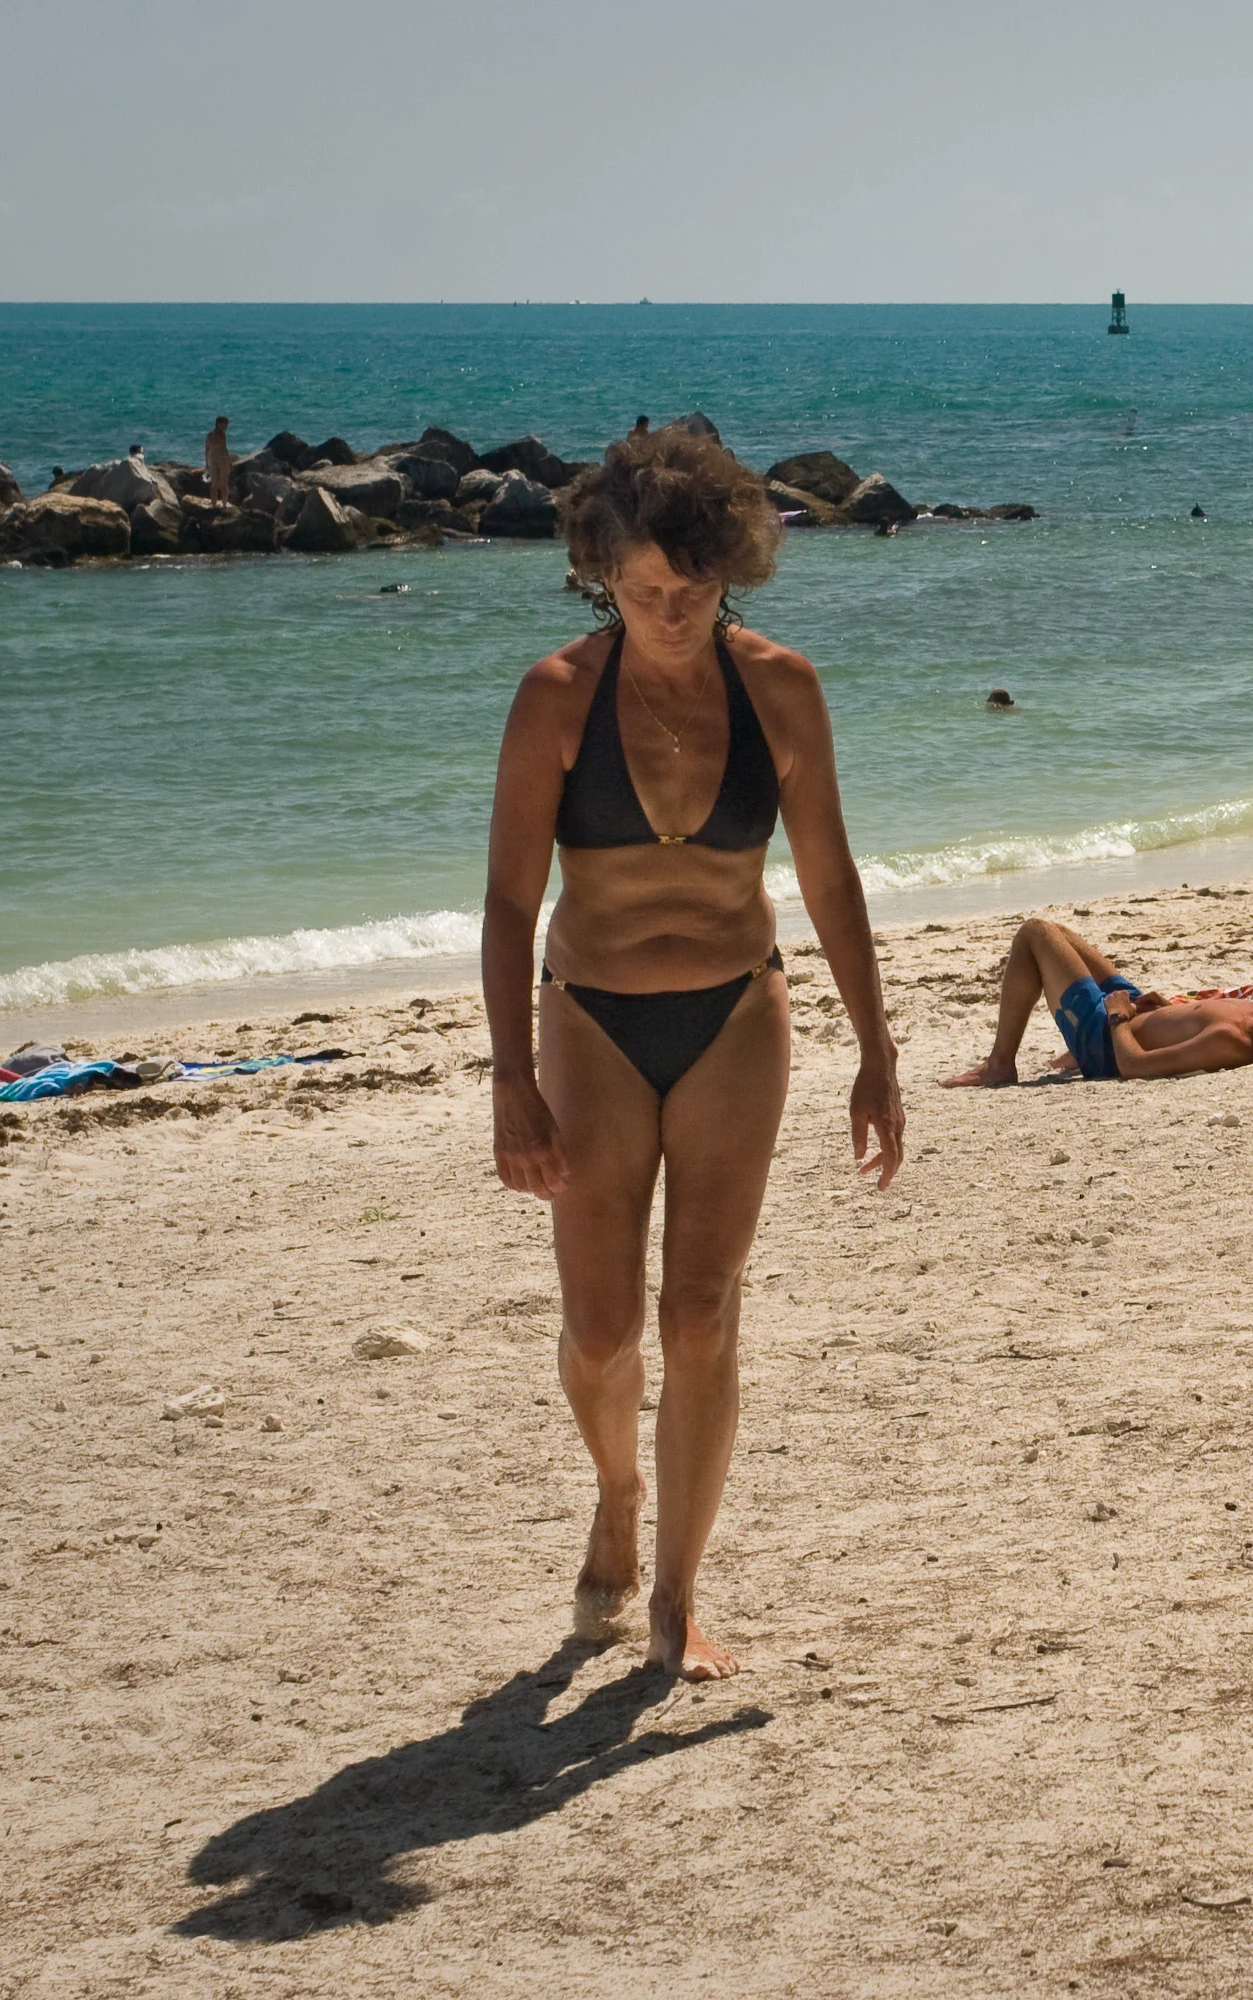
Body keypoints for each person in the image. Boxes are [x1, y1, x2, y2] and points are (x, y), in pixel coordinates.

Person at [483, 425, 904, 1683]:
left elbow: (827, 874)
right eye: (643, 590)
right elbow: (509, 902)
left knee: (702, 1315)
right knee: (604, 1332)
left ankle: (674, 1595)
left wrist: (877, 1045)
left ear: (737, 570)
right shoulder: (557, 697)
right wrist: (511, 1074)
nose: (669, 613)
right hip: (592, 1024)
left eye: (695, 588)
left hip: (735, 1014)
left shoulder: (782, 688)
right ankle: (615, 1495)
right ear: (598, 571)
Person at [942, 918, 1253, 1087]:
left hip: (1104, 1038)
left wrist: (1118, 1019)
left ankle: (1000, 1064)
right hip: (1132, 1012)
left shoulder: (1231, 1041)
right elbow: (1180, 1027)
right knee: (1060, 934)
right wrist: (1159, 1011)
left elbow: (1135, 1067)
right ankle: (1065, 1037)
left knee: (1034, 933)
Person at [203, 416, 235, 504]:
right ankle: (224, 505)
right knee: (223, 485)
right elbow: (224, 449)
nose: (226, 427)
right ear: (219, 424)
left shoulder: (209, 435)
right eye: (225, 425)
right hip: (222, 461)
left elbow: (206, 450)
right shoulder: (222, 434)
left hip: (212, 461)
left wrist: (206, 463)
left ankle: (213, 505)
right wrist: (230, 462)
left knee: (214, 485)